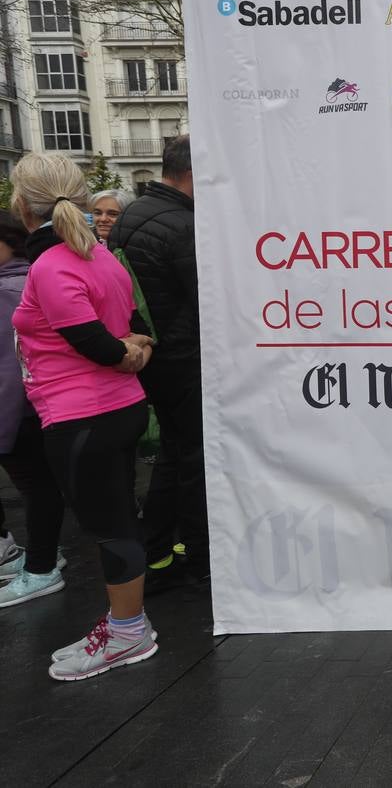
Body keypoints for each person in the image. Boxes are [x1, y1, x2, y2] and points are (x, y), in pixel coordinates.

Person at [9, 152, 157, 680]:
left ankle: (127, 633)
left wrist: (129, 352)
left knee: (112, 528)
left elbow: (104, 346)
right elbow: (134, 329)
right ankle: (127, 625)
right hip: (116, 410)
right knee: (121, 523)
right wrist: (133, 351)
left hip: (83, 420)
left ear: (22, 205)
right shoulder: (100, 255)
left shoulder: (52, 265)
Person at [108, 136, 208, 591]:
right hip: (184, 356)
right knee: (193, 457)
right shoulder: (185, 225)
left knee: (172, 453)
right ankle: (197, 556)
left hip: (152, 352)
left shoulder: (130, 214)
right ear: (192, 173)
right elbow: (203, 296)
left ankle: (160, 552)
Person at [0, 210, 69, 607]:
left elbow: (12, 366)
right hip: (33, 405)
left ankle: (42, 566)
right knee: (41, 487)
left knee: (37, 488)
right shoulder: (29, 278)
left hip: (18, 410)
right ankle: (43, 558)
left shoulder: (10, 289)